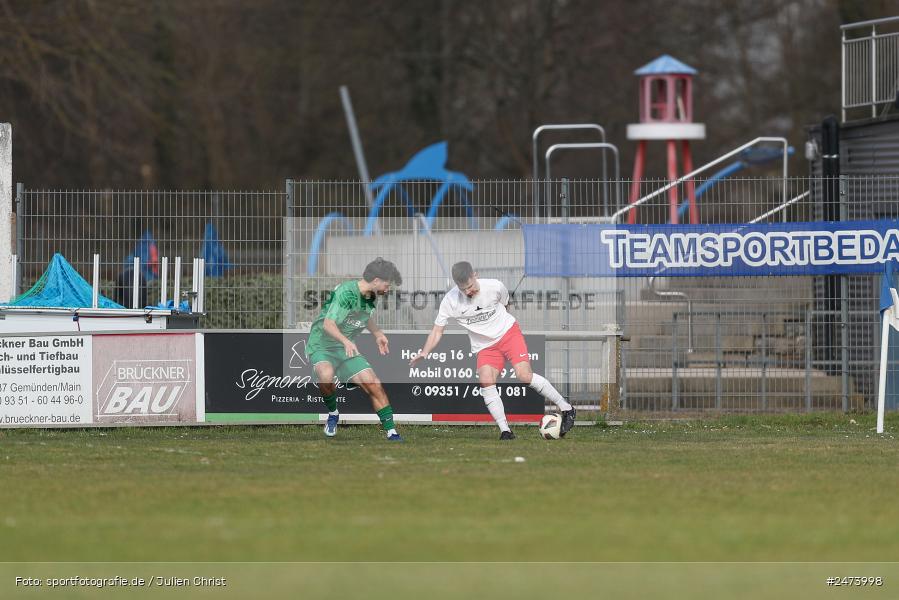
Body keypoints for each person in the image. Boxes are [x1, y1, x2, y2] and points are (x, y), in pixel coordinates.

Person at [410, 261, 575, 440]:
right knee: (486, 380)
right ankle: (505, 431)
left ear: (475, 275)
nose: (468, 292)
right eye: (463, 289)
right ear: (457, 285)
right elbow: (437, 330)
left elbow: (506, 304)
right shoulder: (450, 301)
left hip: (508, 334)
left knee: (524, 375)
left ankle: (567, 408)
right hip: (485, 346)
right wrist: (425, 352)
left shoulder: (495, 286)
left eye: (470, 286)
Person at [305, 257, 404, 441]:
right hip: (322, 344)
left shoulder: (371, 295)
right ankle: (333, 414)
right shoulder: (346, 293)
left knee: (373, 383)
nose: (388, 289)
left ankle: (392, 432)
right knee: (326, 374)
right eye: (387, 284)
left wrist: (377, 333)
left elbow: (365, 317)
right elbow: (328, 324)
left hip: (345, 347)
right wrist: (346, 341)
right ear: (376, 281)